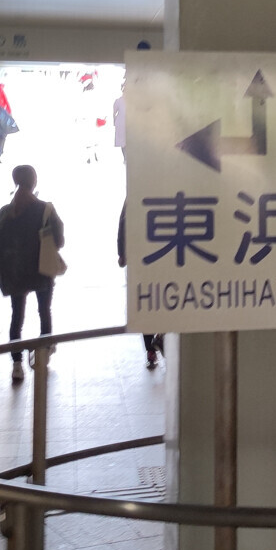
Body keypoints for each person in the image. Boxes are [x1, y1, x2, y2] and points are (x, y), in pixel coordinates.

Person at [0, 165, 64, 383]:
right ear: (34, 181)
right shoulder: (45, 209)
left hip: (15, 273)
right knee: (44, 312)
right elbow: (59, 241)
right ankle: (43, 355)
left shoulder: (5, 212)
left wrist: (3, 270)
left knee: (16, 318)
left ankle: (17, 365)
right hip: (41, 271)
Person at [117, 201, 162, 368]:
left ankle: (153, 346)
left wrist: (121, 253)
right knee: (151, 302)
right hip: (150, 257)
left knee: (149, 303)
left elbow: (122, 226)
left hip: (145, 257)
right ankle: (153, 345)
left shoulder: (132, 196)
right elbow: (123, 226)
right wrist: (122, 253)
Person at [112, 83, 126, 162]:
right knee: (122, 142)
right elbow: (114, 112)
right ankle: (125, 157)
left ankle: (127, 157)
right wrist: (114, 122)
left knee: (128, 141)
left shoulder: (132, 101)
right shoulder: (118, 101)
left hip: (128, 123)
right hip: (121, 123)